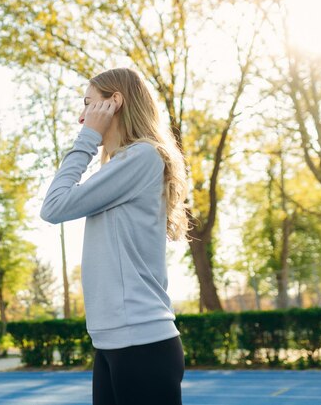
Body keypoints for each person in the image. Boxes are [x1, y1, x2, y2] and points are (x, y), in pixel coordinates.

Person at [40, 68, 189, 405]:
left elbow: (53, 207)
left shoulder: (143, 157)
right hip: (113, 343)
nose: (82, 117)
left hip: (142, 344)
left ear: (115, 102)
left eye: (89, 104)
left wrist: (87, 140)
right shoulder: (122, 164)